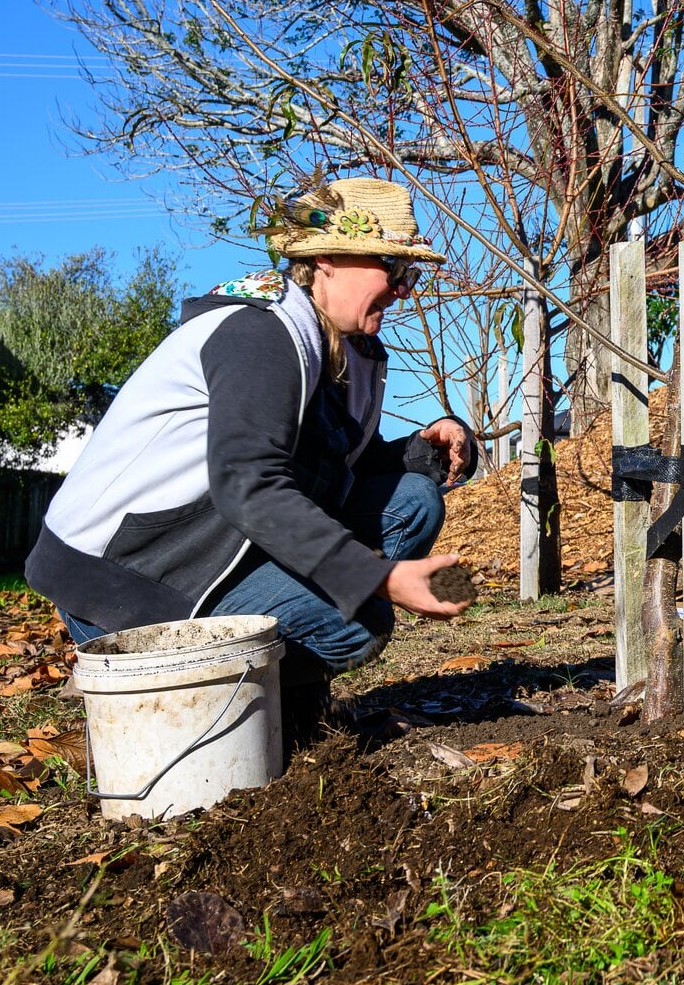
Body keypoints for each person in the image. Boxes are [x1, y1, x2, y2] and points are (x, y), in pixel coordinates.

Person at [26, 177, 478, 738]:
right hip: (130, 578)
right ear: (330, 259)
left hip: (211, 553)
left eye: (410, 275)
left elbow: (326, 468)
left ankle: (276, 702)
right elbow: (251, 484)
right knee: (361, 619)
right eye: (394, 269)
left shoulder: (340, 346)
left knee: (413, 499)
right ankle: (235, 719)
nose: (404, 290)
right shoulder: (262, 334)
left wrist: (428, 447)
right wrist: (378, 578)